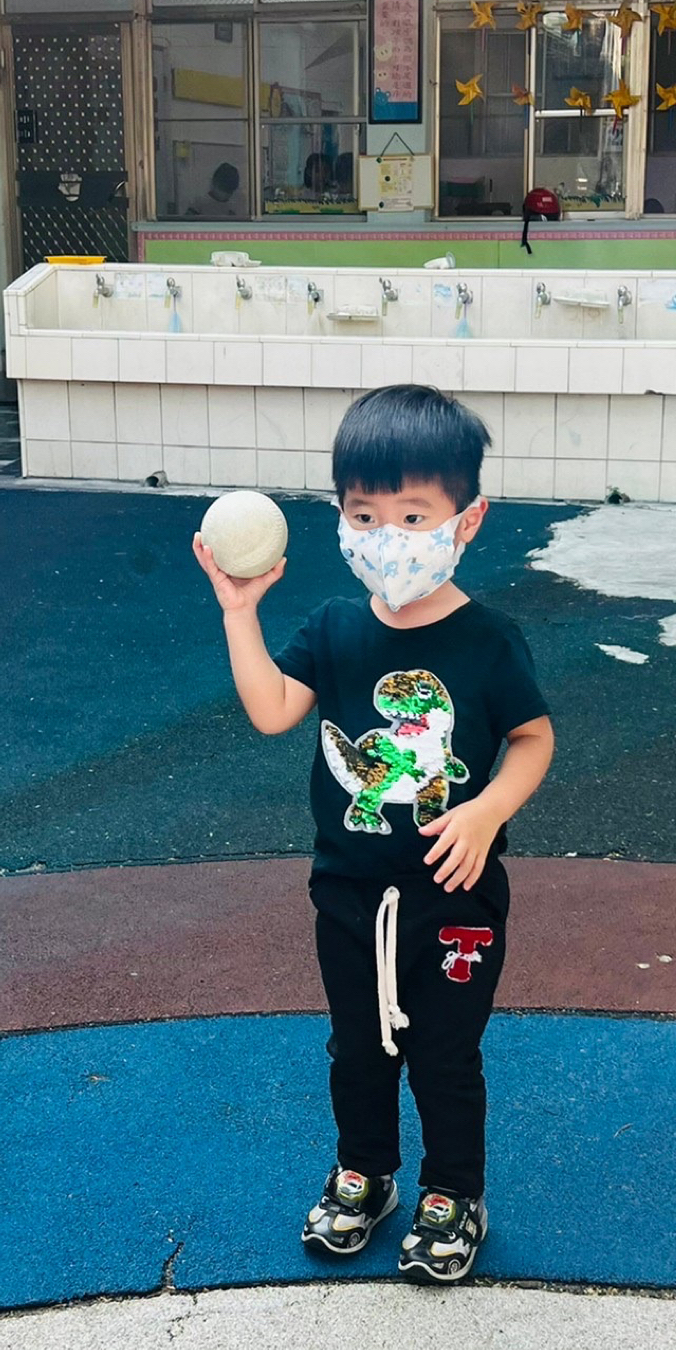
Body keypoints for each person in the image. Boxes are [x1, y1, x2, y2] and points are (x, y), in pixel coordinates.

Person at [193, 386, 555, 1284]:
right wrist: (240, 612)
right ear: (341, 515)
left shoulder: (488, 641)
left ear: (467, 520)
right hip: (350, 890)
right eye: (364, 515)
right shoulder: (334, 628)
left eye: (413, 515)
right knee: (357, 1049)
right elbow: (273, 710)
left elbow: (532, 739)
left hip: (455, 896)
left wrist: (487, 810)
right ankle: (365, 1173)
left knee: (444, 1053)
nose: (387, 536)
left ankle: (453, 1191)